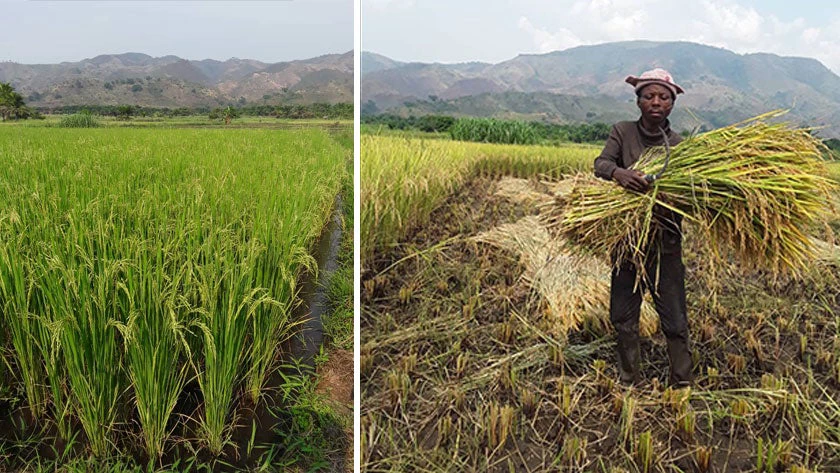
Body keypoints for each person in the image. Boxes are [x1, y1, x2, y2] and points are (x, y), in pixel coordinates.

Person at [593, 68, 692, 387]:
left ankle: (681, 383)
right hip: (627, 242)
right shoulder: (622, 132)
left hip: (665, 243)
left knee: (675, 320)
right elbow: (601, 164)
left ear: (672, 104)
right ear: (638, 101)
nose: (656, 101)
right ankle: (628, 380)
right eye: (648, 95)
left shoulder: (679, 146)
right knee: (623, 317)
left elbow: (691, 194)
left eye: (663, 97)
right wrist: (619, 174)